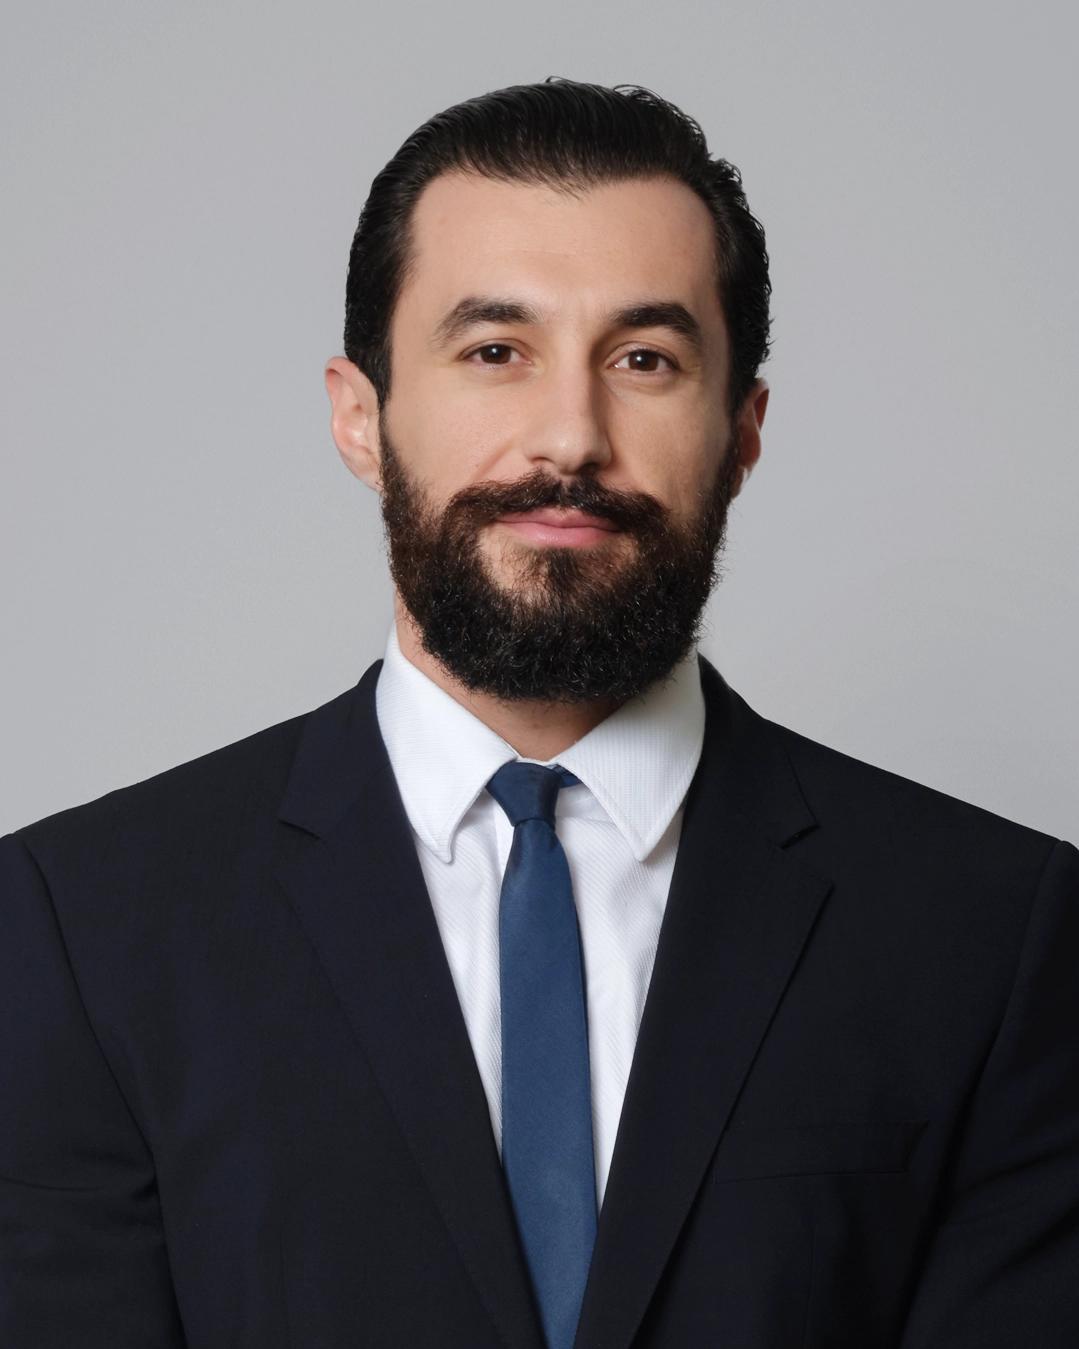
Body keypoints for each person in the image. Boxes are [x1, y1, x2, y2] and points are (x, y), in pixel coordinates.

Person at [1, 77, 1077, 1349]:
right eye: (494, 351)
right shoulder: (79, 926)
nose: (569, 437)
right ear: (360, 416)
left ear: (740, 432)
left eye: (643, 360)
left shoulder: (994, 931)